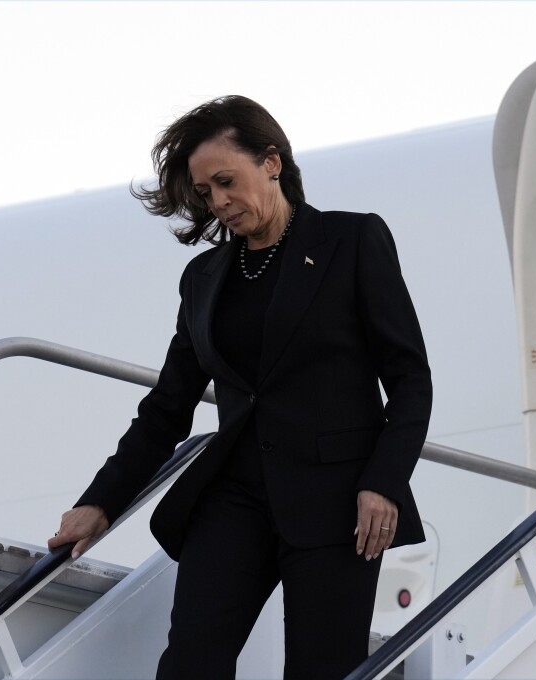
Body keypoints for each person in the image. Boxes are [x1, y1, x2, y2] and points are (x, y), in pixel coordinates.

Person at [47, 95, 432, 679]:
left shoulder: (351, 242)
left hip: (337, 502)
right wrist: (100, 501)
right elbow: (167, 408)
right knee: (189, 666)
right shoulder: (204, 277)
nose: (219, 202)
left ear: (271, 162)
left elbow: (410, 380)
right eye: (205, 192)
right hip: (234, 500)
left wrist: (383, 482)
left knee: (322, 669)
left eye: (226, 181)